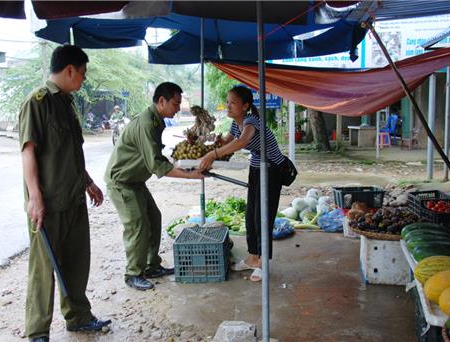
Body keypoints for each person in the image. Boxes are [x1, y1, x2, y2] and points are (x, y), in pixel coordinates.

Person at [18, 45, 111, 342]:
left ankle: (78, 317)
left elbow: (70, 154)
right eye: (82, 73)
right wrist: (35, 197)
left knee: (76, 262)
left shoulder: (67, 104)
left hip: (73, 200)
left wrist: (88, 182)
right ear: (69, 70)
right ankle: (37, 331)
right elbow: (28, 152)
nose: (83, 79)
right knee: (44, 269)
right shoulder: (37, 102)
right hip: (48, 204)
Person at [104, 82, 204, 291]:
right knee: (138, 225)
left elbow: (157, 157)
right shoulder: (147, 123)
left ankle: (152, 266)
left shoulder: (157, 121)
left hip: (136, 180)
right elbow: (157, 165)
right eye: (175, 104)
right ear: (161, 101)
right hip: (121, 183)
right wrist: (192, 175)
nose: (178, 108)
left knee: (154, 218)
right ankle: (133, 273)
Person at [198, 85, 285, 282]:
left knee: (263, 216)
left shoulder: (251, 121)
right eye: (227, 102)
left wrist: (213, 154)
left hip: (272, 169)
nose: (228, 106)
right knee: (251, 215)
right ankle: (253, 257)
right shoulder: (236, 124)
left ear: (245, 106)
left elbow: (241, 142)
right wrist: (206, 147)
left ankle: (263, 262)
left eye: (233, 102)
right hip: (256, 167)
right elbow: (227, 143)